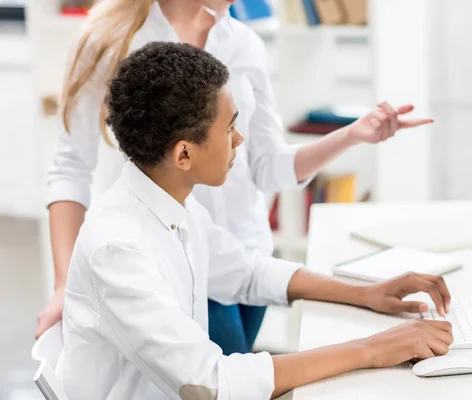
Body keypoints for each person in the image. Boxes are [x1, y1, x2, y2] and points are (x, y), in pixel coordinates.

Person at [57, 41, 451, 400]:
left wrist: (363, 293)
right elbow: (209, 382)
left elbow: (246, 272)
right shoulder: (119, 247)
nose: (239, 140)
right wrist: (375, 349)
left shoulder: (172, 202)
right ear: (183, 155)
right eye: (229, 128)